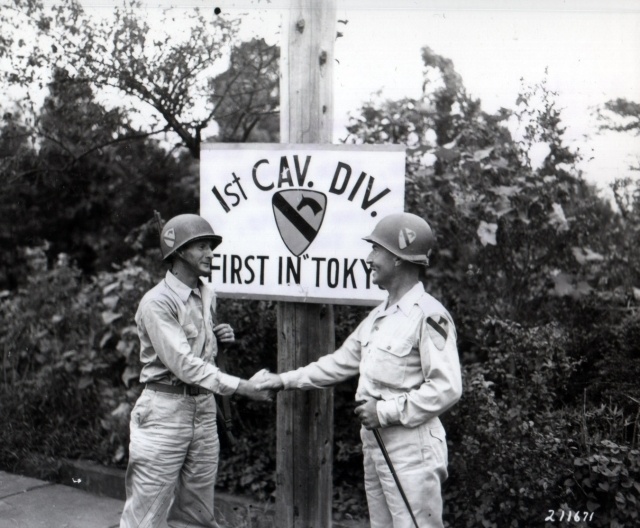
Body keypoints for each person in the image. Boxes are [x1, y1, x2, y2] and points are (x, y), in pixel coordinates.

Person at [255, 212, 462, 528]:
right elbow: (338, 363)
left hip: (412, 447)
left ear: (398, 258)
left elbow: (447, 388)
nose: (369, 259)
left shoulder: (430, 316)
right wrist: (283, 380)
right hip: (376, 443)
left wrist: (385, 412)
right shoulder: (380, 316)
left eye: (376, 250)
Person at [120, 213, 271, 528]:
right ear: (177, 253)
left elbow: (197, 352)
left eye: (211, 246)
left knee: (197, 515)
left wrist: (218, 339)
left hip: (203, 410)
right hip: (164, 411)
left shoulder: (207, 293)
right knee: (145, 517)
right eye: (201, 246)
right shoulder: (157, 302)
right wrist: (242, 386)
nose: (210, 253)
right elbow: (184, 364)